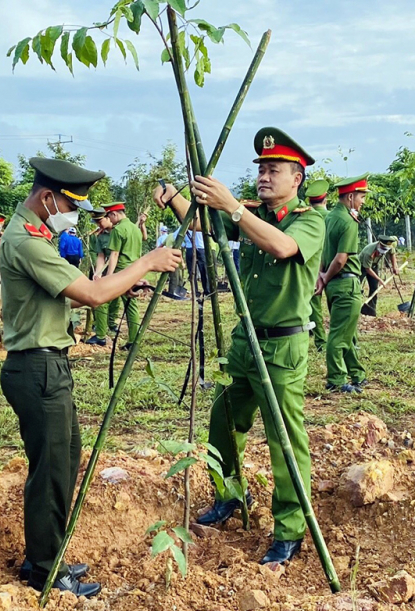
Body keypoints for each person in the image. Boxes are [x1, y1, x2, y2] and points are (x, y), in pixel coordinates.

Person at [0, 157, 182, 596]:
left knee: (62, 462)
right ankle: (46, 569)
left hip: (47, 366)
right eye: (70, 206)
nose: (73, 216)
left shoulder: (34, 234)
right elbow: (94, 294)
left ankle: (44, 555)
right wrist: (148, 262)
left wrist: (124, 283)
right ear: (47, 198)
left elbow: (68, 297)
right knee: (51, 472)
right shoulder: (27, 241)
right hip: (38, 368)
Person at [155, 127, 325, 565]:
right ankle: (230, 493)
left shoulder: (309, 221)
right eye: (261, 170)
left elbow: (282, 247)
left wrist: (231, 205)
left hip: (283, 349)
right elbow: (202, 223)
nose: (264, 177)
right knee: (224, 419)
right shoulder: (251, 215)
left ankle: (290, 529)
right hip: (245, 344)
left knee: (284, 439)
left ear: (297, 179)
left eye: (273, 170)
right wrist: (175, 197)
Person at [316, 174, 369, 393]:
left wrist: (321, 276)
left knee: (347, 333)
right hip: (346, 284)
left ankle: (357, 374)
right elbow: (340, 259)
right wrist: (326, 276)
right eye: (361, 197)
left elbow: (323, 251)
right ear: (350, 197)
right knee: (339, 336)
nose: (363, 201)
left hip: (334, 286)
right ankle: (336, 380)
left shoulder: (329, 218)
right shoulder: (348, 221)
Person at [104, 201, 144, 350]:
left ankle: (132, 340)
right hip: (135, 270)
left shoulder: (118, 230)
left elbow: (114, 254)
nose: (109, 220)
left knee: (110, 301)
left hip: (122, 271)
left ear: (114, 214)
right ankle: (133, 339)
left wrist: (109, 276)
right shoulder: (135, 229)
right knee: (131, 306)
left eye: (109, 217)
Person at [85, 207, 120, 346]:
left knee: (116, 301)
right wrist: (98, 272)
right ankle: (100, 329)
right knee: (101, 301)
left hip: (120, 272)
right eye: (96, 222)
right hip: (106, 272)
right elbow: (100, 256)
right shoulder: (100, 236)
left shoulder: (119, 231)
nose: (98, 224)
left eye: (100, 221)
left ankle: (112, 323)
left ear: (108, 217)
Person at [305, 180, 330, 351]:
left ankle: (321, 342)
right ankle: (351, 342)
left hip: (313, 268)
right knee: (339, 308)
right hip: (335, 266)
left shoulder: (305, 217)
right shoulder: (333, 216)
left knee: (315, 307)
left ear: (309, 201)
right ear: (326, 199)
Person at [359, 235, 399, 317]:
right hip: (361, 266)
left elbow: (392, 254)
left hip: (374, 265)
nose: (384, 250)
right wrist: (380, 279)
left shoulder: (389, 246)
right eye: (383, 248)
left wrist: (394, 266)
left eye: (386, 249)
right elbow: (367, 269)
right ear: (379, 244)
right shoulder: (369, 252)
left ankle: (370, 311)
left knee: (374, 288)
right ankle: (354, 308)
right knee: (357, 287)